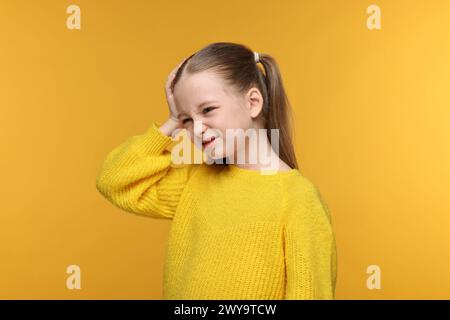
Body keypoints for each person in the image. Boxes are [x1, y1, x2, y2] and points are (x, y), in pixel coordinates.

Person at [96, 42, 337, 299]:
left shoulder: (298, 199)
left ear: (253, 102)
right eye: (187, 119)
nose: (196, 129)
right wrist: (172, 121)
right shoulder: (194, 180)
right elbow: (113, 180)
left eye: (208, 109)